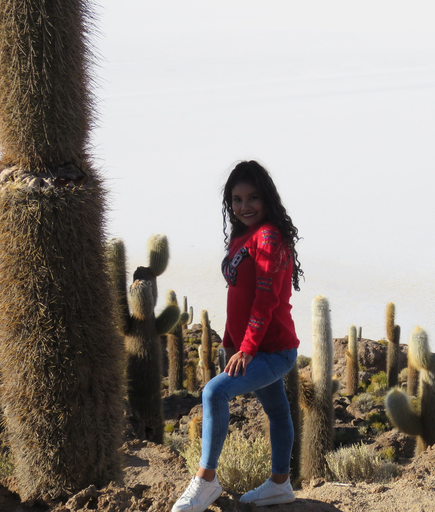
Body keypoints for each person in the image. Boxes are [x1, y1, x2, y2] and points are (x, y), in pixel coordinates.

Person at [172, 160, 303, 512]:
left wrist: (246, 348)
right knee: (277, 412)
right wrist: (229, 342)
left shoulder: (270, 237)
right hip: (250, 345)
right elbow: (237, 298)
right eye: (237, 199)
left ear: (267, 199)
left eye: (253, 198)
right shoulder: (243, 236)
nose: (245, 206)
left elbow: (265, 300)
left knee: (214, 391)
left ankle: (206, 481)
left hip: (274, 350)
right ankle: (280, 485)